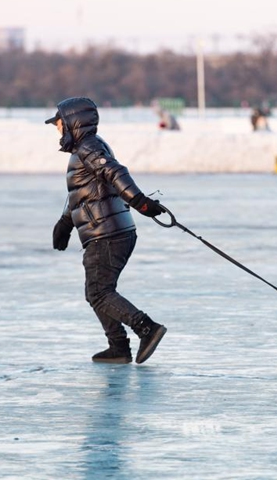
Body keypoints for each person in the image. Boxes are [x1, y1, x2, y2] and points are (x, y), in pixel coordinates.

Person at [46, 97, 169, 363]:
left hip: (107, 234)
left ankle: (146, 329)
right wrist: (64, 225)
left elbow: (116, 173)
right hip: (107, 231)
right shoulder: (86, 150)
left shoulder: (88, 148)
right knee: (97, 292)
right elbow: (82, 196)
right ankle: (118, 347)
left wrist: (140, 202)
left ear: (72, 123)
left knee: (99, 292)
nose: (57, 129)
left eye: (59, 124)